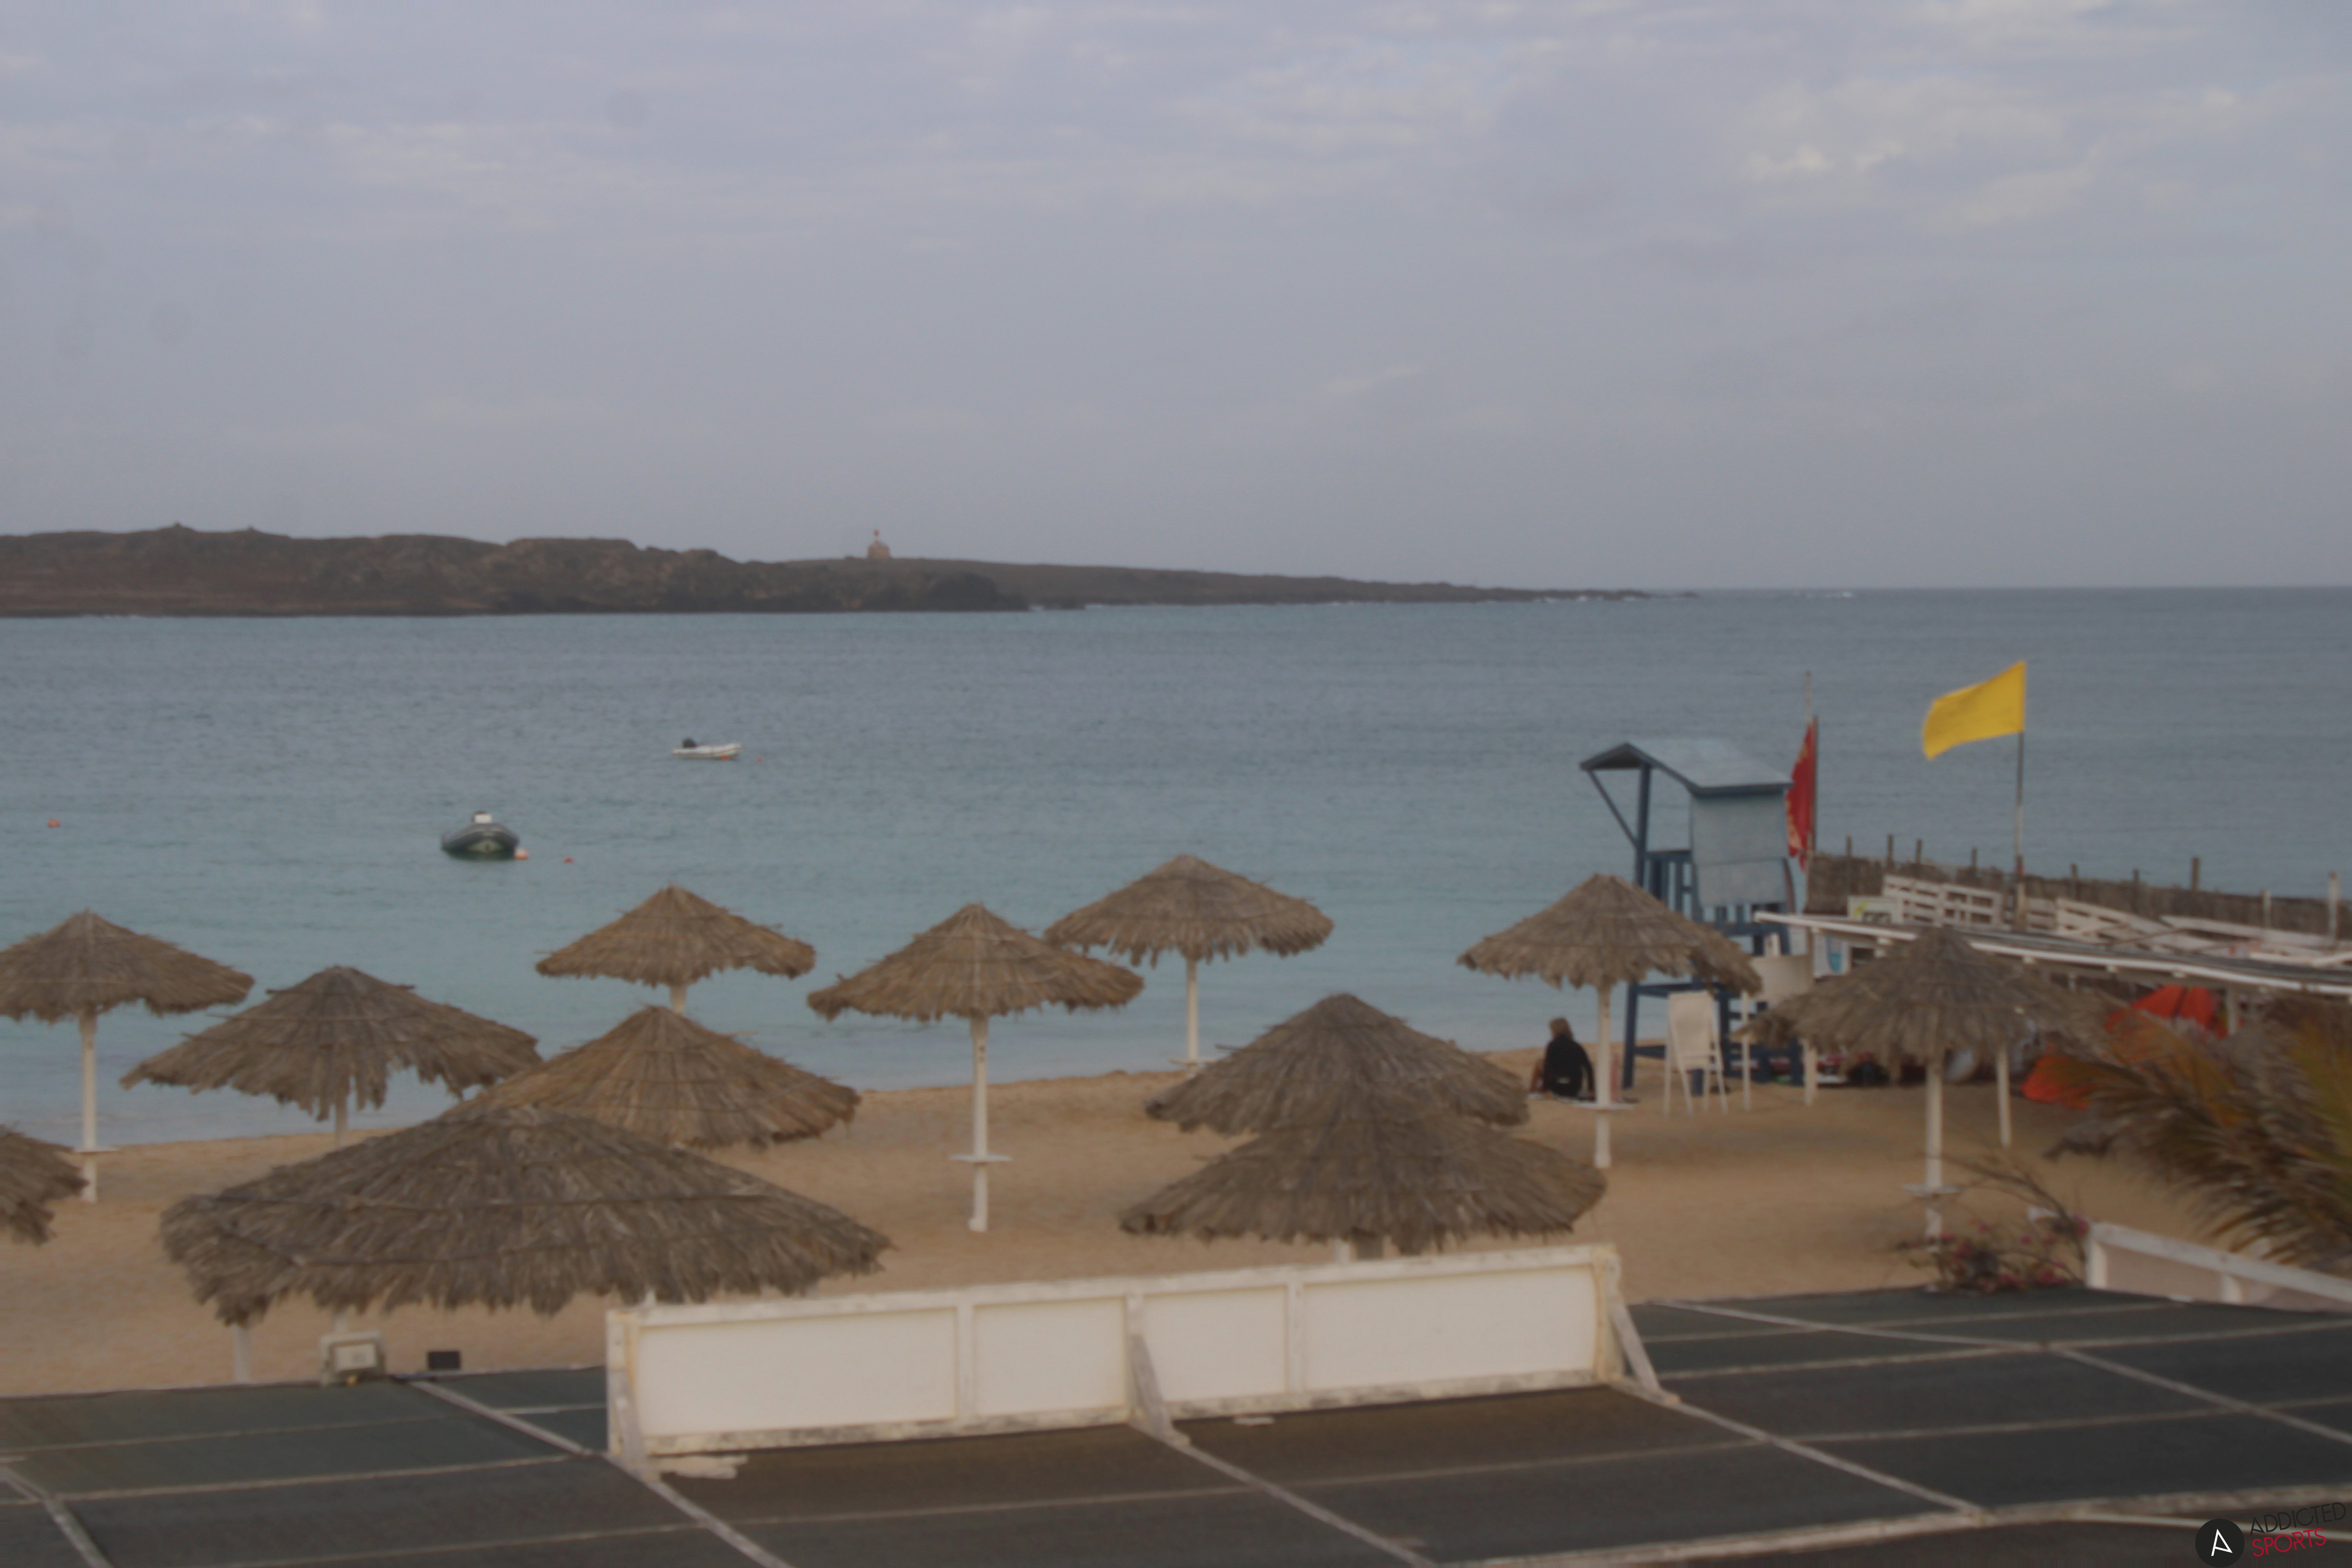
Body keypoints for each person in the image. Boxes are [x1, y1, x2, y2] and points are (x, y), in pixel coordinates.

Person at [1530, 1017, 1595, 1102]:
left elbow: (1548, 1068)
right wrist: (1591, 1089)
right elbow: (1589, 1068)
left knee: (1540, 1062)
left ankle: (1531, 1090)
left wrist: (1545, 1088)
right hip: (1574, 1087)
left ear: (1555, 1031)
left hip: (1556, 1087)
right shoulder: (1577, 1046)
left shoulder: (1552, 1045)